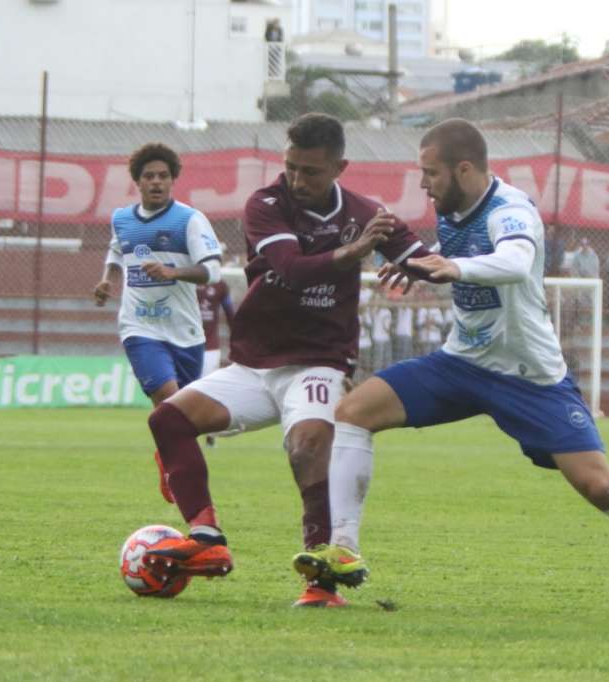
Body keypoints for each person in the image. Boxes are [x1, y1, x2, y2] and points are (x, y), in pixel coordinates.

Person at [292, 118, 609, 619]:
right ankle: (344, 547)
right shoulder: (453, 209)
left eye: (430, 173)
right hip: (461, 364)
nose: (423, 184)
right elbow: (461, 264)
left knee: (602, 488)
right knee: (353, 411)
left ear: (464, 169)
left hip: (529, 378)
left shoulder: (510, 208)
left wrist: (453, 268)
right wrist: (423, 264)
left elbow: (516, 261)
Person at [140, 113, 431, 608]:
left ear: (340, 166)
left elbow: (421, 256)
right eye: (290, 166)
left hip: (317, 361)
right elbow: (291, 270)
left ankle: (321, 576)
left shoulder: (365, 211)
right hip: (254, 365)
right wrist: (358, 249)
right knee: (167, 420)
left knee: (308, 445)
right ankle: (206, 537)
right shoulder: (266, 204)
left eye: (310, 171)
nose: (297, 180)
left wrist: (423, 266)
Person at [93, 143, 224, 502]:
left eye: (163, 176)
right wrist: (108, 278)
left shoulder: (189, 220)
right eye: (149, 176)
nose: (156, 182)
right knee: (167, 399)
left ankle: (165, 455)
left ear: (173, 180)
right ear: (137, 181)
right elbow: (117, 248)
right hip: (140, 328)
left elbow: (212, 270)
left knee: (185, 418)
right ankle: (177, 475)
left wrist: (172, 271)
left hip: (185, 332)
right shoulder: (122, 218)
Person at [197, 278, 236, 446]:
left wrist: (238, 339)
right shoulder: (184, 279)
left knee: (209, 392)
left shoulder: (220, 284)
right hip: (186, 344)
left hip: (210, 347)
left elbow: (230, 314)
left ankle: (210, 435)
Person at [567, 236, 600, 326]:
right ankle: (578, 321)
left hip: (591, 281)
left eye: (586, 245)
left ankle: (594, 321)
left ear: (589, 245)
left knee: (593, 301)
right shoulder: (577, 255)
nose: (584, 246)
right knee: (577, 300)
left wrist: (588, 276)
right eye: (583, 245)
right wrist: (578, 277)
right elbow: (573, 269)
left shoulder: (593, 255)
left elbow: (595, 270)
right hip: (580, 280)